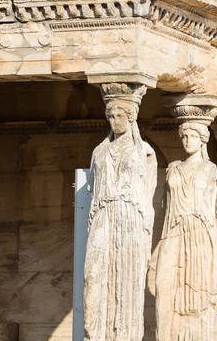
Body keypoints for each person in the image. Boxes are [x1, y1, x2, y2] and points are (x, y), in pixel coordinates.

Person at [84, 93, 157, 341]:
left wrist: (145, 227)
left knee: (128, 280)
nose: (115, 121)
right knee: (93, 275)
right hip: (103, 215)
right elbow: (94, 185)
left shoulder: (143, 152)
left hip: (130, 217)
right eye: (111, 116)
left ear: (131, 117)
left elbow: (148, 192)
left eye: (119, 116)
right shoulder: (99, 151)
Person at [155, 122, 217, 341]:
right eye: (184, 136)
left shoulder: (209, 169)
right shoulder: (173, 167)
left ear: (203, 140)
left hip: (197, 231)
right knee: (163, 286)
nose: (187, 140)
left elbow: (210, 207)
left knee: (196, 291)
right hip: (173, 230)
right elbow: (166, 204)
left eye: (192, 136)